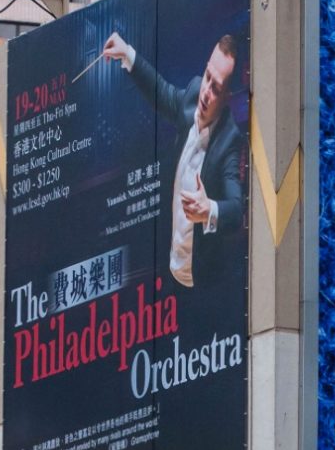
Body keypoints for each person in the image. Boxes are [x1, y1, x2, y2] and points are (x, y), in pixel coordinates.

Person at [100, 28, 247, 289]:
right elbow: (162, 92)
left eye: (216, 88)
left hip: (199, 281)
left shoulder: (229, 140)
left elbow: (236, 210)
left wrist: (209, 209)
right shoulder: (191, 96)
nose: (205, 92)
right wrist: (127, 54)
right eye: (207, 77)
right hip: (167, 269)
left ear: (227, 97)